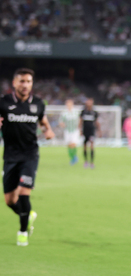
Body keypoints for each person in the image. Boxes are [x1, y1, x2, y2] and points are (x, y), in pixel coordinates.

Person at [0, 68, 55, 246]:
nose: (25, 85)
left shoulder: (38, 104)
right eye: (22, 81)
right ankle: (28, 214)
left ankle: (22, 232)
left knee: (24, 193)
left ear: (32, 84)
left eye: (28, 81)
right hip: (10, 155)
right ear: (14, 83)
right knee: (10, 200)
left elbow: (44, 122)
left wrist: (49, 131)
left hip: (30, 154)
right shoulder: (4, 102)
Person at [79, 98, 100, 169]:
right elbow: (80, 121)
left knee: (91, 145)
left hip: (91, 131)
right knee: (84, 146)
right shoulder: (83, 112)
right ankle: (85, 161)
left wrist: (99, 131)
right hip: (85, 131)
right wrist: (80, 130)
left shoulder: (94, 113)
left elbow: (97, 122)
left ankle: (92, 162)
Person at [58, 99, 80, 165]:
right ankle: (72, 157)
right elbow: (61, 121)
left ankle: (74, 157)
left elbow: (80, 120)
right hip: (67, 130)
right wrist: (62, 124)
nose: (69, 105)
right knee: (69, 145)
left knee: (73, 144)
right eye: (68, 104)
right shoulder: (64, 113)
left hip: (75, 130)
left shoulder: (76, 112)